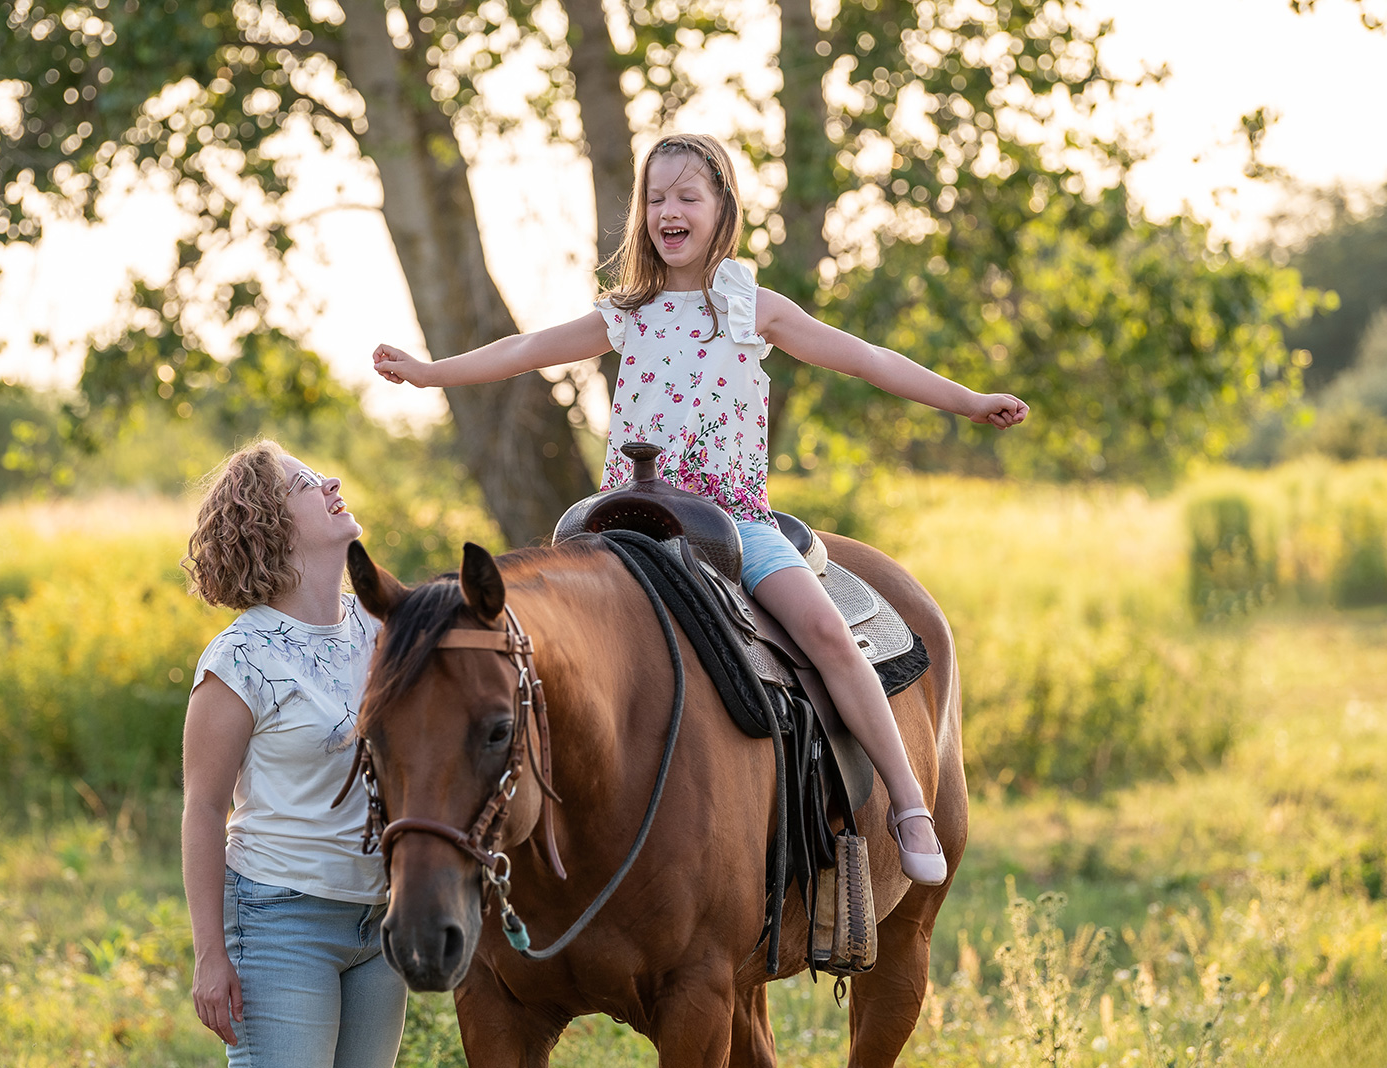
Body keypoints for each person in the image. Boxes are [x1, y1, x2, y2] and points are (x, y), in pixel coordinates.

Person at [372, 133, 1028, 886]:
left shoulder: (752, 308)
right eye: (655, 199)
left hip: (732, 525)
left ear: (722, 208)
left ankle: (908, 802)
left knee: (823, 630)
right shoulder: (628, 313)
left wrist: (967, 400)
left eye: (687, 196)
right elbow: (526, 348)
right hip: (627, 525)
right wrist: (431, 374)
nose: (667, 212)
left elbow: (866, 358)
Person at [179, 440, 407, 1066]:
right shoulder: (240, 658)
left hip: (380, 923)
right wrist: (211, 955)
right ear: (268, 523)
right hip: (282, 922)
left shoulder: (383, 626)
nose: (332, 481)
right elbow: (202, 808)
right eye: (305, 482)